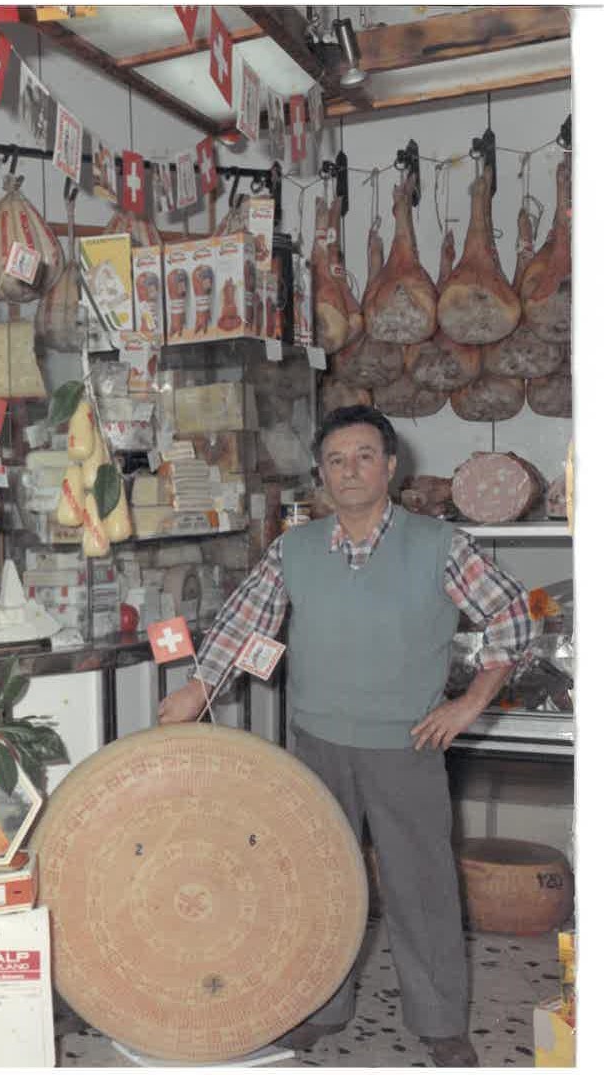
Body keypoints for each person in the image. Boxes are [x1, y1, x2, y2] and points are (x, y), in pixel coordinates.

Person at [157, 405, 539, 1069]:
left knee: (420, 887)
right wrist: (197, 689)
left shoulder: (439, 544)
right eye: (336, 460)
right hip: (317, 745)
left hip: (408, 745)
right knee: (319, 884)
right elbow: (245, 621)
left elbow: (513, 617)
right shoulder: (295, 549)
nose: (350, 470)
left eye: (364, 456)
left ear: (390, 466)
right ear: (322, 475)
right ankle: (322, 1008)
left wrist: (470, 704)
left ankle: (440, 1021)